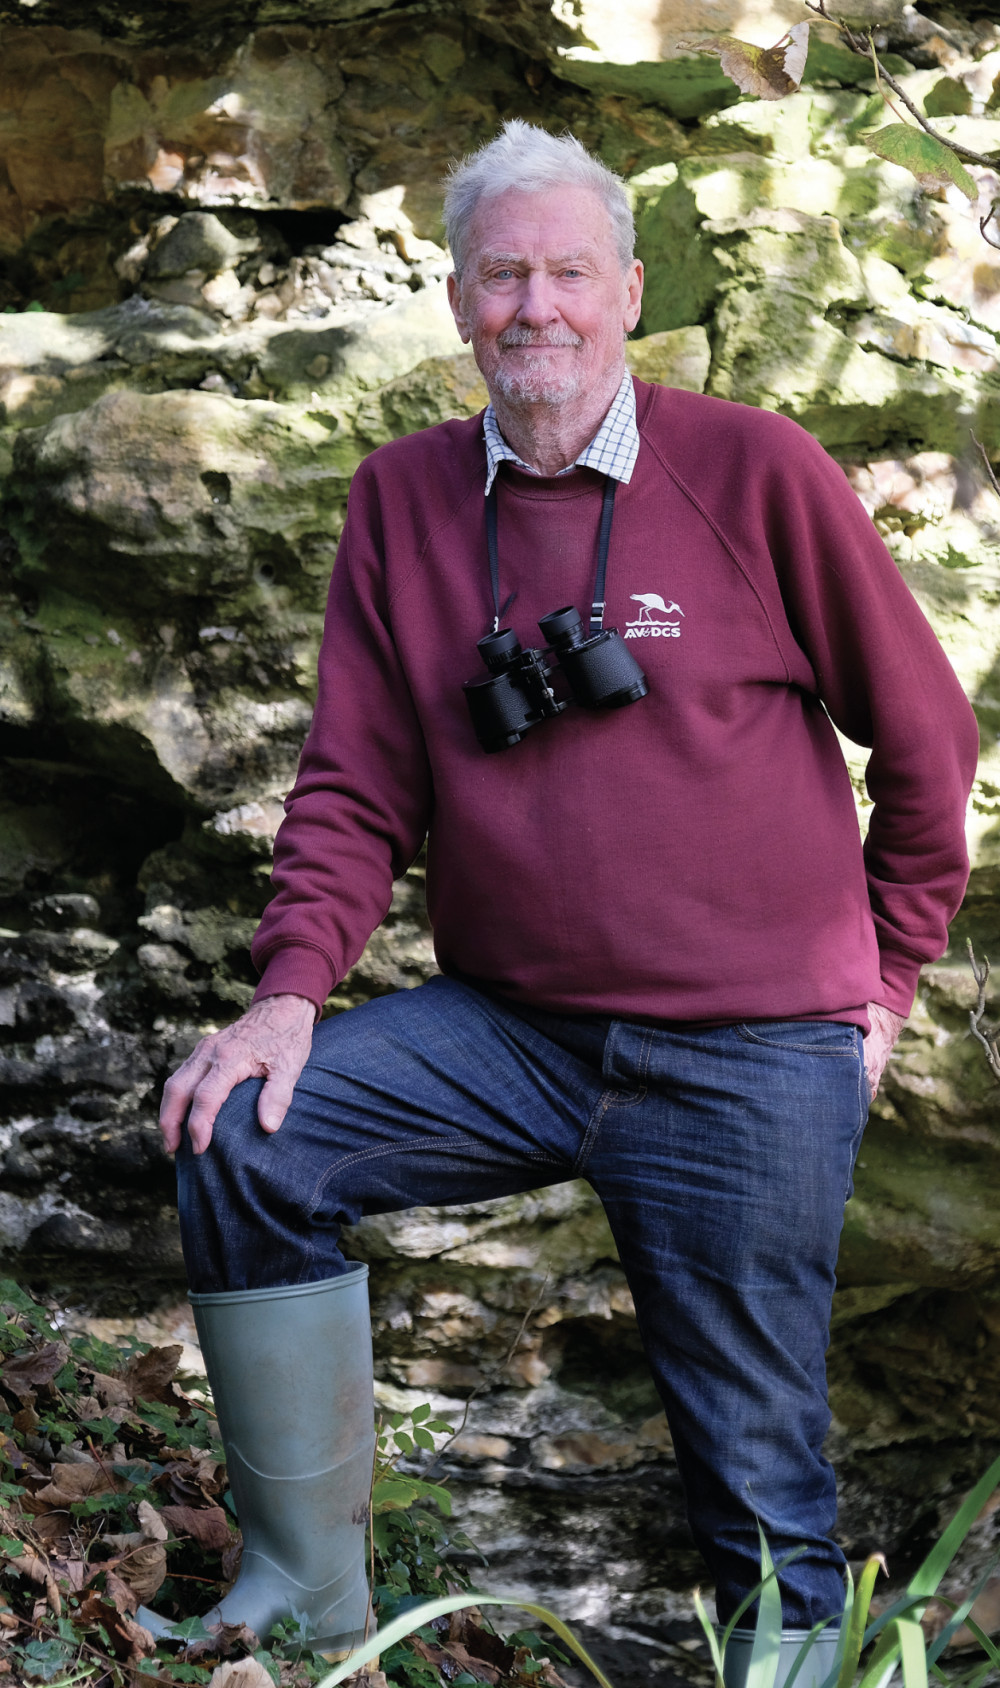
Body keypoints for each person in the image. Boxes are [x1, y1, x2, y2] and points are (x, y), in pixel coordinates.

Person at [148, 120, 979, 1680]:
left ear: (628, 291)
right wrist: (284, 998)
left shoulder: (752, 469)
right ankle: (305, 1609)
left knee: (754, 1467)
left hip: (749, 1046)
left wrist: (883, 984)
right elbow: (354, 785)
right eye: (503, 274)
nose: (537, 305)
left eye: (569, 274)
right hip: (515, 1028)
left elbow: (931, 742)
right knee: (249, 1141)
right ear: (458, 301)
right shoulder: (401, 499)